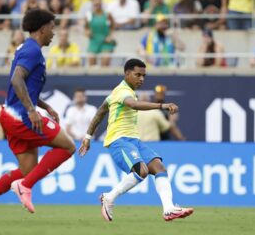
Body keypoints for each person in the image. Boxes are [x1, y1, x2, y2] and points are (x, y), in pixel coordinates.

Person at [0, 9, 76, 225]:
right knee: (68, 147)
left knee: (28, 169)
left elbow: (24, 85)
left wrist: (43, 105)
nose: (53, 33)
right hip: (20, 118)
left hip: (12, 114)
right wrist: (32, 110)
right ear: (43, 28)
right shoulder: (32, 50)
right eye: (52, 28)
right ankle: (25, 186)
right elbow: (17, 80)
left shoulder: (27, 48)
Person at [79, 58, 193, 222]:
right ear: (126, 74)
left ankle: (168, 209)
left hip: (134, 141)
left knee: (159, 168)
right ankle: (109, 198)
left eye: (144, 75)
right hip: (119, 141)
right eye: (137, 74)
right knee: (142, 171)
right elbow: (133, 104)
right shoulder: (122, 91)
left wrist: (88, 137)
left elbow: (100, 112)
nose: (141, 79)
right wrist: (162, 106)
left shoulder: (119, 93)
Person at [86, 0, 116, 66]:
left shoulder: (107, 15)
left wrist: (110, 36)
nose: (97, 3)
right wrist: (87, 33)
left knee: (105, 60)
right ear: (92, 3)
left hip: (105, 42)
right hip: (94, 41)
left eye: (98, 1)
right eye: (95, 1)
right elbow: (85, 28)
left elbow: (113, 26)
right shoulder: (89, 15)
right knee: (91, 60)